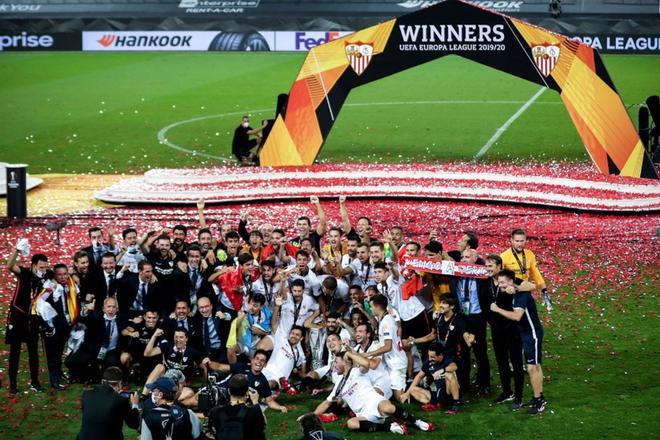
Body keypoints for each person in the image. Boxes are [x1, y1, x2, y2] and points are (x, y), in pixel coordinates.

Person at [314, 351, 431, 434]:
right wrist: (311, 416)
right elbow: (326, 403)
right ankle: (389, 427)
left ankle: (416, 422)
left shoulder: (356, 372)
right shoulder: (339, 385)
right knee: (351, 424)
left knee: (389, 408)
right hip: (364, 414)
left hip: (375, 402)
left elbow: (366, 364)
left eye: (336, 362)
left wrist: (349, 354)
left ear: (345, 363)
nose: (334, 366)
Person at [490, 269, 547, 415]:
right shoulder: (515, 291)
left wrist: (497, 309)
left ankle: (538, 400)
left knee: (532, 367)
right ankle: (539, 397)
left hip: (531, 333)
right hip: (526, 332)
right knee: (535, 366)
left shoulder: (521, 294)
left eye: (502, 282)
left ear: (511, 281)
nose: (500, 285)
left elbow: (516, 316)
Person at [486, 254, 535, 410]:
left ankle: (519, 398)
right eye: (499, 283)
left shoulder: (513, 283)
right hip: (496, 329)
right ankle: (507, 391)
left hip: (512, 330)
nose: (500, 285)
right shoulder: (488, 282)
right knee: (501, 362)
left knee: (516, 363)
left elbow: (532, 286)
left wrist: (516, 288)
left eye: (503, 283)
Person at [5, 246, 47, 394]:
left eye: (45, 267)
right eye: (41, 267)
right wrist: (17, 249)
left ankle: (35, 382)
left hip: (33, 319)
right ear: (33, 265)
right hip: (18, 318)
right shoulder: (24, 273)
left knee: (33, 352)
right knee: (15, 353)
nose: (43, 270)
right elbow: (9, 265)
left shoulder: (45, 277)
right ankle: (13, 385)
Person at [32, 263, 80, 390]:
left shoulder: (69, 286)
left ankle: (58, 373)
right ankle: (54, 380)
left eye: (65, 274)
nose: (63, 277)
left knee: (59, 352)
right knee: (52, 354)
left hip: (65, 324)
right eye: (60, 275)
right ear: (55, 275)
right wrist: (46, 324)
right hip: (52, 326)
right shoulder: (49, 287)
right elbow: (38, 303)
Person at [76, 366, 140, 440]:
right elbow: (134, 424)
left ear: (102, 381)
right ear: (119, 384)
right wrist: (135, 404)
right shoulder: (120, 400)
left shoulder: (87, 394)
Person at [500, 228, 552, 310]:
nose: (519, 244)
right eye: (517, 241)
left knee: (532, 318)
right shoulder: (504, 256)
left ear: (525, 240)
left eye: (522, 241)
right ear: (512, 240)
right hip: (512, 292)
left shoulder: (529, 254)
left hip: (526, 290)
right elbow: (499, 277)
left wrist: (544, 290)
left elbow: (535, 273)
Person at [207, 373, 266, 439]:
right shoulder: (253, 412)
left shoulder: (215, 411)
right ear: (247, 392)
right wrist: (255, 403)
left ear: (229, 391)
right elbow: (260, 430)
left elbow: (210, 433)